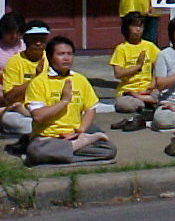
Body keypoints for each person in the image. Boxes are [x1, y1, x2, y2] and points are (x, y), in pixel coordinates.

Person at [24, 37, 116, 165]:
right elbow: (38, 117)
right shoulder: (38, 82)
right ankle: (75, 148)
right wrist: (64, 101)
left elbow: (90, 108)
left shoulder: (80, 79)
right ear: (50, 57)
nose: (66, 58)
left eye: (69, 54)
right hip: (48, 138)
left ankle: (63, 153)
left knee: (109, 150)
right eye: (61, 54)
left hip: (74, 135)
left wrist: (81, 130)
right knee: (36, 151)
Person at [1, 21, 50, 135]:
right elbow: (9, 97)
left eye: (42, 39)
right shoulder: (14, 62)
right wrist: (35, 79)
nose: (38, 43)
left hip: (47, 107)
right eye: (34, 39)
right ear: (26, 40)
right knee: (11, 120)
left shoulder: (52, 58)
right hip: (21, 110)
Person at [109, 11, 160, 113]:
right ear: (127, 28)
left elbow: (160, 67)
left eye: (140, 26)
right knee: (124, 105)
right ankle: (146, 102)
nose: (138, 29)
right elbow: (118, 74)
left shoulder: (149, 46)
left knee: (165, 95)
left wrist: (153, 84)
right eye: (134, 26)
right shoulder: (121, 48)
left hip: (147, 89)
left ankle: (144, 101)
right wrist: (138, 66)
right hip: (128, 90)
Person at [0, 12, 26, 107]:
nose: (14, 36)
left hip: (22, 84)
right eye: (10, 33)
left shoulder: (26, 46)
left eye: (18, 33)